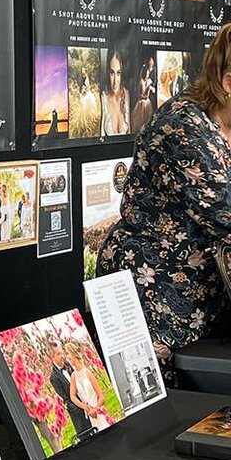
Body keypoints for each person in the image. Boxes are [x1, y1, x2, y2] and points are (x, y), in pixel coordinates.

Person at [96, 23, 231, 385]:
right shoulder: (182, 129)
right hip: (154, 288)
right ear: (228, 83)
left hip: (203, 294)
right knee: (161, 409)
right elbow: (225, 212)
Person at [65, 342, 112, 432]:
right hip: (90, 415)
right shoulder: (73, 376)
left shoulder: (88, 373)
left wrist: (96, 409)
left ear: (74, 354)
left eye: (68, 353)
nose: (67, 357)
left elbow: (102, 397)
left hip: (99, 413)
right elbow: (72, 397)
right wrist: (86, 408)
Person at [48, 342, 88, 435]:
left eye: (62, 352)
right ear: (52, 357)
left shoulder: (68, 364)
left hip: (87, 402)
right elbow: (65, 400)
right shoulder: (54, 377)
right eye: (58, 354)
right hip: (78, 415)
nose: (62, 356)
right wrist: (81, 409)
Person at [101, 51, 130, 136]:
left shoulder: (127, 94)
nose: (115, 81)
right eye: (112, 73)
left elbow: (129, 133)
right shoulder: (103, 97)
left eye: (119, 73)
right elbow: (101, 136)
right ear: (108, 73)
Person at [131, 64, 153, 134]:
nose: (147, 76)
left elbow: (148, 94)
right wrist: (143, 97)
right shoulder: (140, 82)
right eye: (146, 74)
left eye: (148, 74)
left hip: (147, 102)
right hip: (141, 101)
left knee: (148, 118)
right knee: (140, 120)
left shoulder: (149, 81)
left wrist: (148, 90)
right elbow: (139, 94)